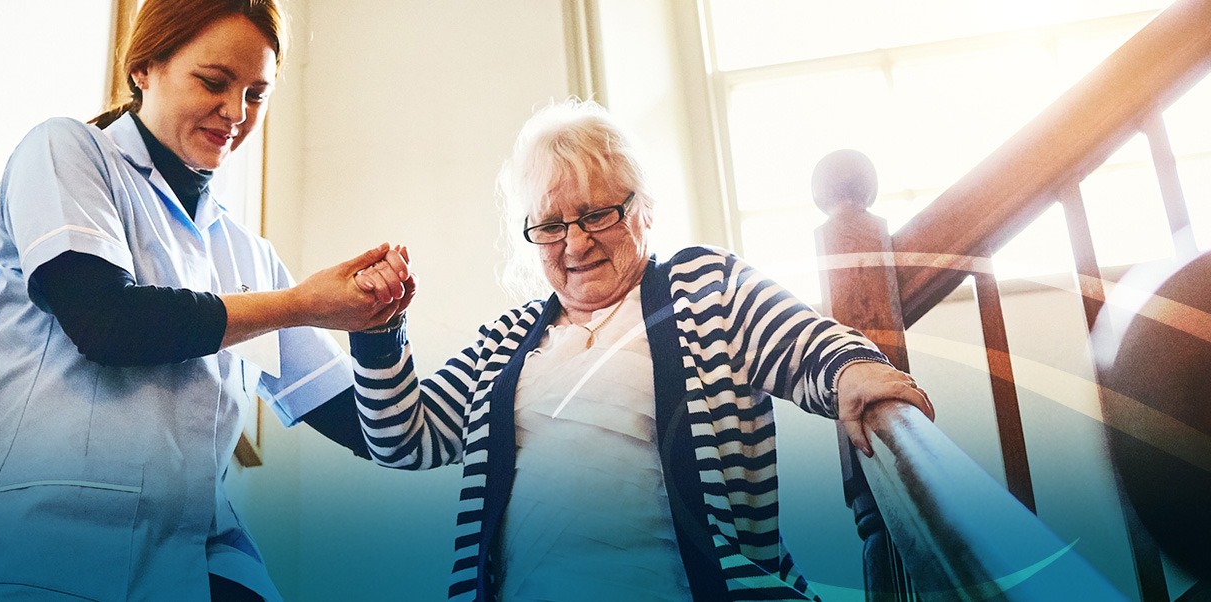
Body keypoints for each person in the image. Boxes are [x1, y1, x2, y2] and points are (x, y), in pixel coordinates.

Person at [345, 101, 935, 601]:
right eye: (550, 224)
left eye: (596, 214)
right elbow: (404, 438)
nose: (574, 241)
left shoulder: (703, 285)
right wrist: (379, 331)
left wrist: (854, 370)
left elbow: (801, 341)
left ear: (644, 210)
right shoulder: (505, 339)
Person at [0, 1, 411, 600]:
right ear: (145, 68)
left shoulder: (246, 254)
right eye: (214, 82)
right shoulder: (66, 153)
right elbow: (108, 322)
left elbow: (368, 425)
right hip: (42, 552)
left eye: (256, 95)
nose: (235, 113)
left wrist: (376, 322)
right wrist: (303, 305)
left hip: (181, 564)